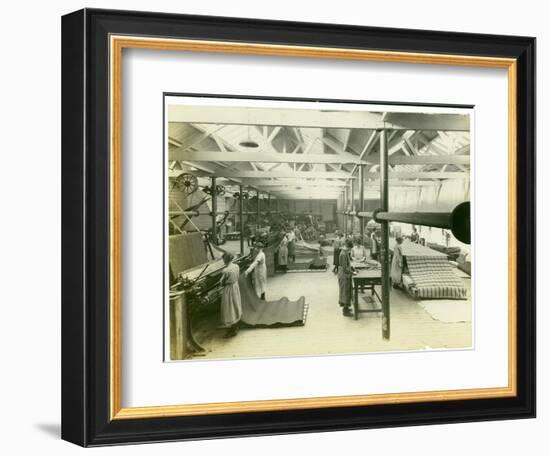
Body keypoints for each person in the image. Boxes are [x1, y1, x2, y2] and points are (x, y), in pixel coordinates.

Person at [219, 252, 242, 338]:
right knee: (235, 305)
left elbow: (221, 283)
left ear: (225, 260)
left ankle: (232, 330)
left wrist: (222, 283)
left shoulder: (225, 270)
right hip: (235, 287)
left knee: (229, 307)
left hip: (229, 290)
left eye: (223, 260)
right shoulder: (236, 266)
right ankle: (236, 325)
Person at [338, 239, 354, 317]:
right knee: (345, 292)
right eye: (350, 249)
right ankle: (345, 311)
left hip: (345, 274)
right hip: (344, 275)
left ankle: (347, 307)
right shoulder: (343, 254)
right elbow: (345, 268)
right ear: (348, 247)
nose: (350, 250)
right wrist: (352, 272)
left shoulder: (345, 252)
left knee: (347, 291)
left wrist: (352, 268)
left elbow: (348, 264)